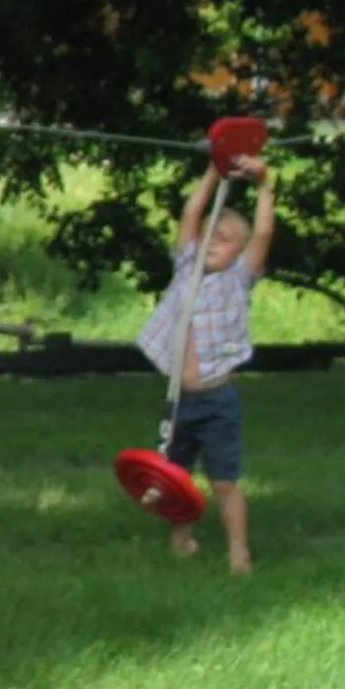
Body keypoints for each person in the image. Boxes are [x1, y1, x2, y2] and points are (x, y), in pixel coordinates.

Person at [135, 153, 277, 573]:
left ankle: (239, 552)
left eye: (226, 237)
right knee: (174, 477)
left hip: (217, 401)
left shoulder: (238, 280)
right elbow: (192, 212)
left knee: (223, 482)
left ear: (241, 253)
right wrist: (215, 170)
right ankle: (181, 539)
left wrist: (264, 184)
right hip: (179, 399)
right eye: (210, 234)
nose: (213, 240)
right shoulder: (185, 268)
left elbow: (264, 231)